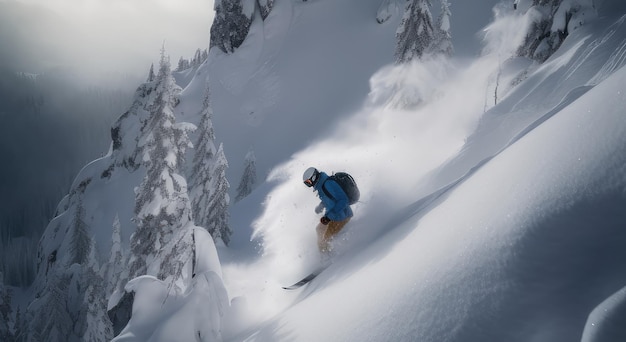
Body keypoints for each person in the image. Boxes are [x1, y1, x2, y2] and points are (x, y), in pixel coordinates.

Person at [302, 167, 353, 255]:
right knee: (319, 229)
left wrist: (329, 217)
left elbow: (343, 200)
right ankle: (325, 252)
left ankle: (329, 258)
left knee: (325, 239)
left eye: (309, 182)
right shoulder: (321, 185)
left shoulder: (328, 184)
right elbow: (330, 198)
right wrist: (321, 206)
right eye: (307, 184)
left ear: (313, 177)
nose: (309, 185)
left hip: (342, 217)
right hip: (334, 216)